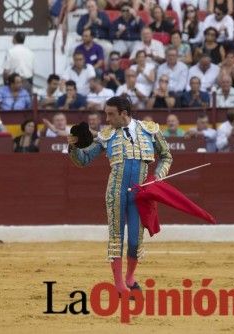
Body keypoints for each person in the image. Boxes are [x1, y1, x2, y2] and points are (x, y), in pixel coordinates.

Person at [67, 96, 173, 295]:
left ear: (124, 114)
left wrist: (159, 175)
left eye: (110, 114)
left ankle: (130, 277)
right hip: (116, 192)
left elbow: (166, 155)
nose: (107, 119)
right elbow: (84, 159)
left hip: (140, 194)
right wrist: (73, 146)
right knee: (116, 237)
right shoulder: (106, 135)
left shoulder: (150, 130)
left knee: (134, 240)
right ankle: (119, 285)